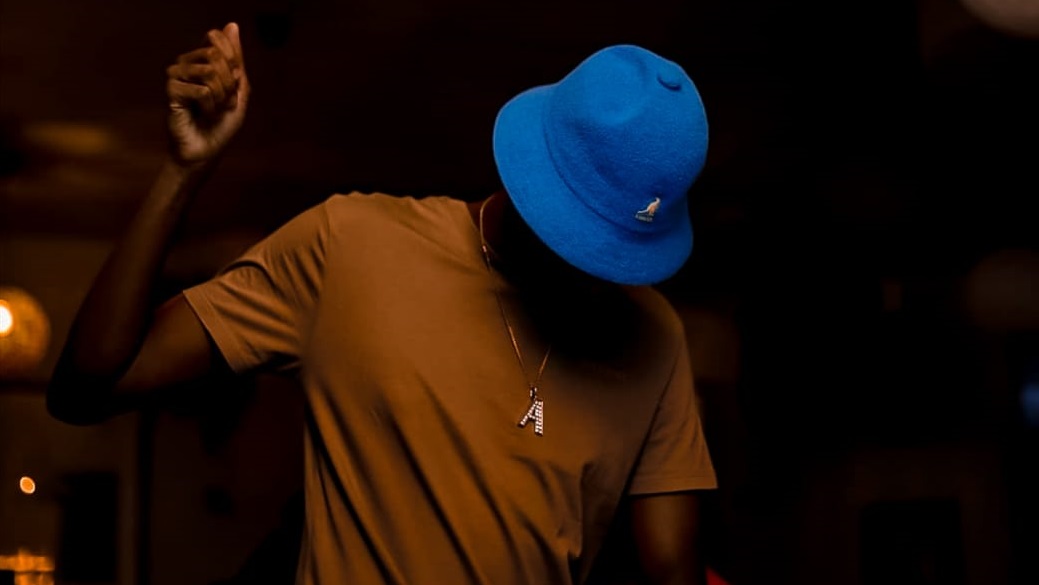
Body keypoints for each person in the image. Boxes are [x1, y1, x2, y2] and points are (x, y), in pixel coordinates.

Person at [48, 21, 716, 585]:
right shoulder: (350, 244)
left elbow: (670, 566)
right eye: (579, 232)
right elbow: (87, 386)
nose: (593, 265)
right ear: (532, 171)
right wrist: (183, 172)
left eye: (617, 248)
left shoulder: (653, 334)